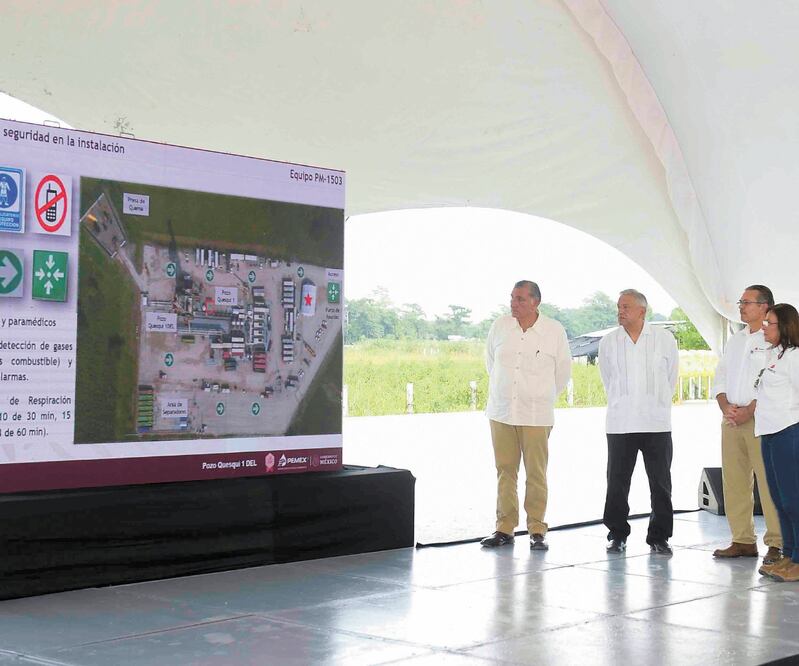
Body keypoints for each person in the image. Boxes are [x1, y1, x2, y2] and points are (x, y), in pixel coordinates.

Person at [480, 280, 571, 550]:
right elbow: (491, 364)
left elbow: (562, 373)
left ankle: (537, 529)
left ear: (535, 302)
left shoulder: (553, 331)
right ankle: (504, 528)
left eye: (520, 299)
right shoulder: (499, 326)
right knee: (505, 470)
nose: (513, 304)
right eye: (512, 298)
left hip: (536, 414)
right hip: (502, 410)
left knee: (536, 472)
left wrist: (541, 397)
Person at [598, 289, 678, 554]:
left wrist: (656, 401)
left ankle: (659, 536)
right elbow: (608, 378)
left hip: (656, 422)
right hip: (621, 423)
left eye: (626, 307)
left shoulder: (664, 339)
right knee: (617, 482)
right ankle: (616, 534)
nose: (620, 311)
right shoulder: (609, 341)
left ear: (642, 311)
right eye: (619, 306)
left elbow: (671, 377)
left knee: (660, 483)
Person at [712, 285, 782, 564]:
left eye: (747, 302)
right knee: (735, 481)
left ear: (764, 306)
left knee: (768, 482)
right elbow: (721, 376)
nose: (741, 306)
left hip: (761, 420)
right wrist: (725, 406)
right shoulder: (736, 340)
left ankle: (777, 543)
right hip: (731, 419)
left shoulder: (774, 340)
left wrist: (750, 410)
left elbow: (771, 381)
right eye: (741, 302)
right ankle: (742, 540)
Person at [755, 304, 799, 582]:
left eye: (769, 323)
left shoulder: (795, 357)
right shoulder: (773, 355)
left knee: (793, 499)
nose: (764, 327)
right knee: (778, 499)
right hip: (768, 433)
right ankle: (789, 554)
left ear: (784, 326)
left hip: (788, 432)